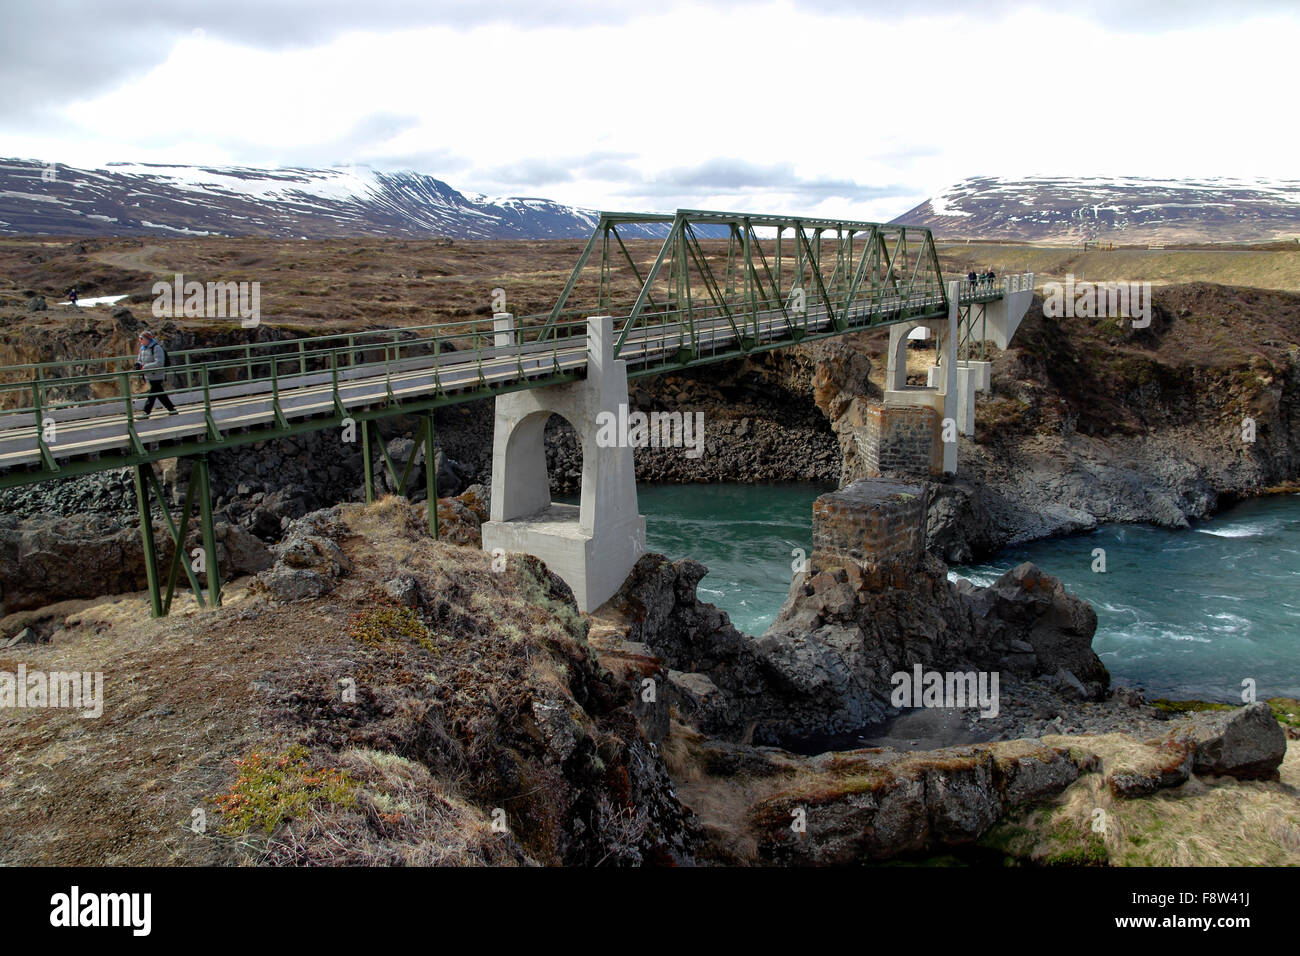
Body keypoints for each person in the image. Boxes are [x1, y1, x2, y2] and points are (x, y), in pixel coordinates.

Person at [135, 330, 177, 416]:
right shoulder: (142, 349)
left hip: (157, 374)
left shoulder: (157, 348)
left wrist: (145, 367)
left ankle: (146, 412)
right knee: (159, 393)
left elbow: (159, 363)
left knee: (152, 394)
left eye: (141, 339)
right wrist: (138, 365)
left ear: (147, 339)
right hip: (148, 375)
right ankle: (172, 409)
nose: (140, 341)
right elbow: (139, 360)